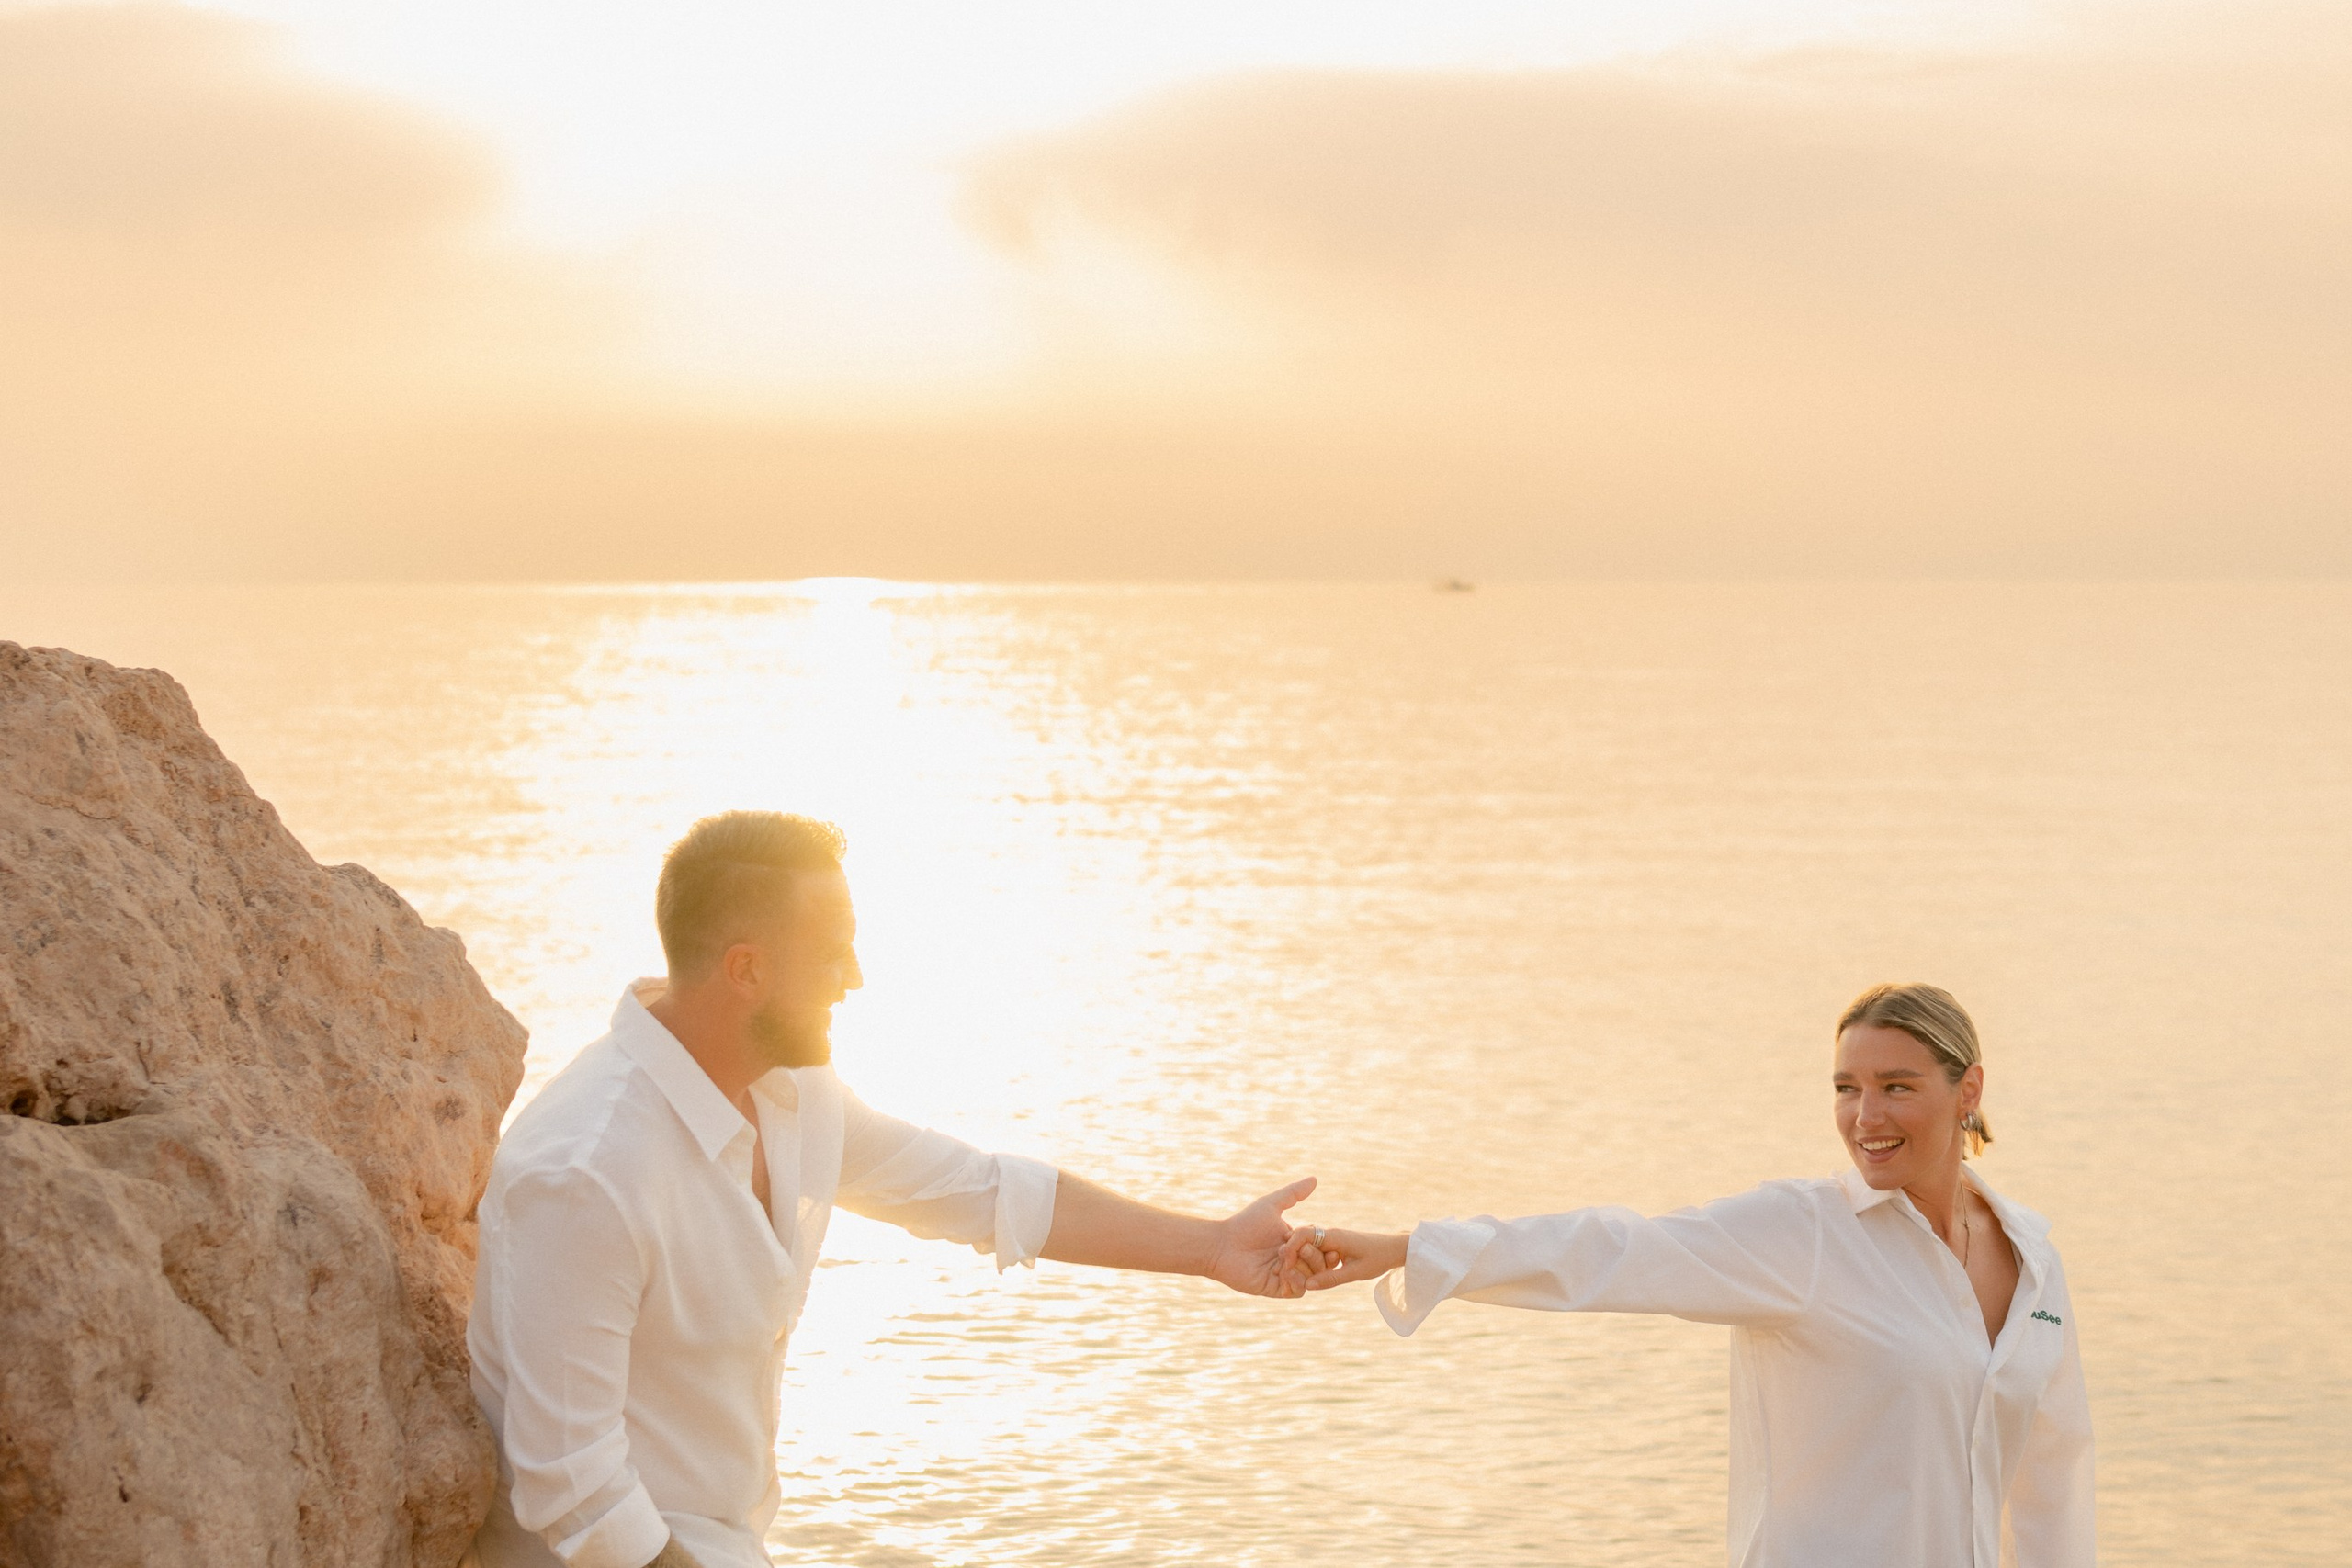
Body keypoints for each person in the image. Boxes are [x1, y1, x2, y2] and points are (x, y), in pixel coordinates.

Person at [468, 811, 1323, 1568]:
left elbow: (985, 1191)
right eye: (834, 948)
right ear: (746, 970)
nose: (857, 976)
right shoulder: (584, 1174)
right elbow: (575, 1490)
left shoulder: (792, 1097)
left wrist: (1212, 1246)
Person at [1297, 983, 2094, 1568]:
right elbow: (1618, 1249)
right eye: (1847, 1088)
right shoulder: (1805, 1232)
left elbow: (2052, 1475)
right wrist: (1413, 1247)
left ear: (1969, 1091)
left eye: (1897, 1087)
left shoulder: (2032, 1260)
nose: (1865, 1117)